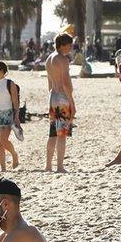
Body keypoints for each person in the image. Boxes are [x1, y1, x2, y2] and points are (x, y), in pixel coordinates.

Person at [45, 33, 75, 173]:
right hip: (62, 97)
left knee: (52, 133)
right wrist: (72, 102)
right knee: (62, 133)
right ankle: (60, 167)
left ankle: (48, 165)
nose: (70, 48)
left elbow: (50, 83)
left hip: (53, 96)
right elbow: (64, 82)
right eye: (69, 45)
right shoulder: (62, 59)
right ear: (62, 45)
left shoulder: (49, 59)